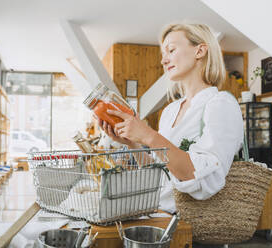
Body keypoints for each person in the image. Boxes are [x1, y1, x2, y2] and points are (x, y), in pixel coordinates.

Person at [98, 22, 244, 216]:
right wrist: (132, 143)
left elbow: (207, 181)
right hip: (160, 214)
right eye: (163, 55)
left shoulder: (220, 103)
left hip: (193, 229)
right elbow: (160, 175)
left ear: (200, 51)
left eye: (171, 50)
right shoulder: (170, 111)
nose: (164, 61)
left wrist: (148, 135)